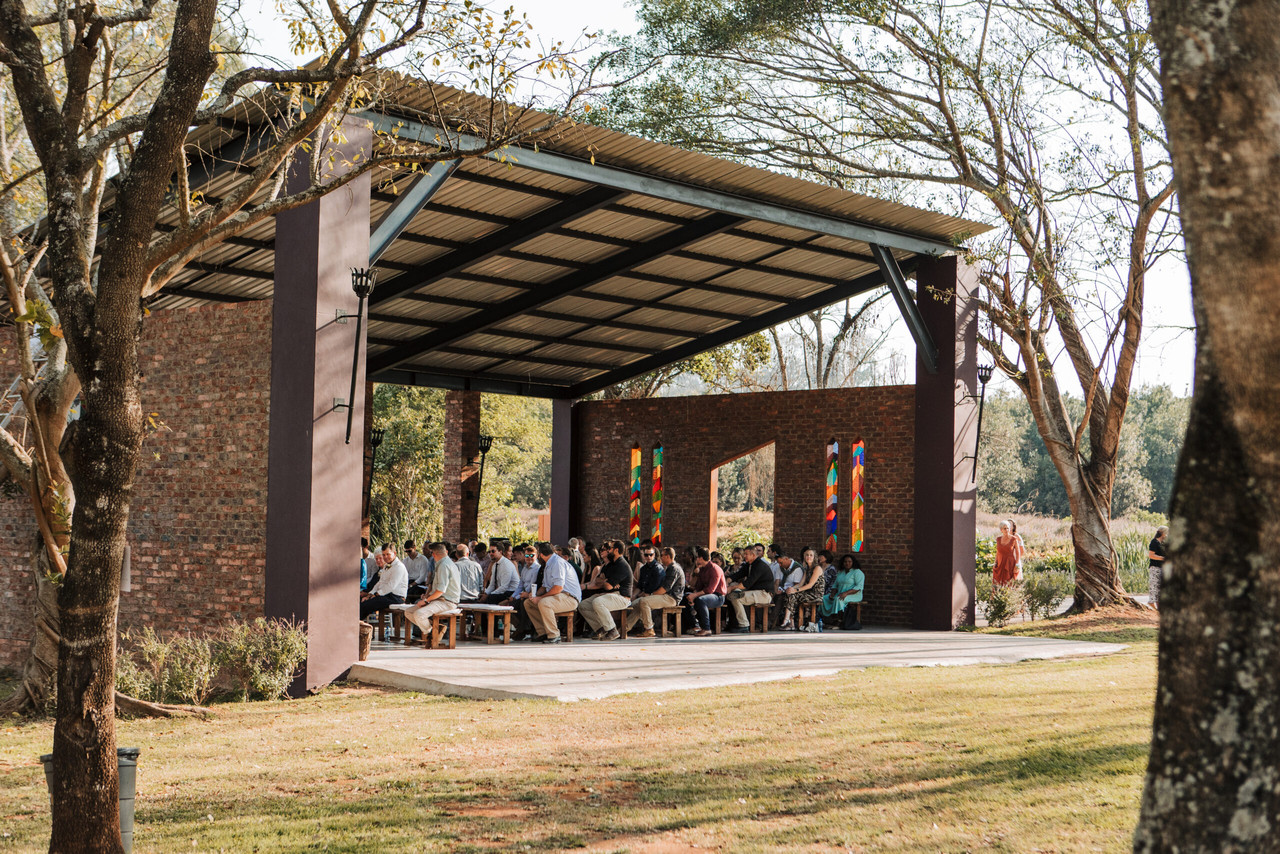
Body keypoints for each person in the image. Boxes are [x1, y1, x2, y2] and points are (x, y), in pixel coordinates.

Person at [525, 542, 581, 643]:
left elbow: (558, 588)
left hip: (570, 598)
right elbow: (545, 586)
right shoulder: (549, 563)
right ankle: (543, 632)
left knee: (544, 603)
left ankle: (554, 635)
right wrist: (535, 595)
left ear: (541, 554)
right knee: (528, 603)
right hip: (559, 596)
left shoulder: (557, 563)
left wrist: (541, 598)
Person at [579, 540, 633, 641]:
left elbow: (607, 586)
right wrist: (605, 581)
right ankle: (601, 629)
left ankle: (612, 630)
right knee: (583, 605)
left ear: (616, 550)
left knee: (598, 602)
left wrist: (605, 582)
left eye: (610, 548)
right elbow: (598, 582)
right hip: (608, 594)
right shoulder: (609, 564)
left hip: (622, 597)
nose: (608, 550)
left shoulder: (622, 565)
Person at [627, 546, 686, 637]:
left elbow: (664, 589)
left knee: (644, 601)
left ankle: (649, 629)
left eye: (662, 555)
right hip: (666, 596)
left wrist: (650, 595)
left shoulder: (674, 568)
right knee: (636, 604)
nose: (660, 557)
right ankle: (625, 628)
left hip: (671, 598)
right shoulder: (669, 567)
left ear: (667, 556)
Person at [403, 543, 460, 636]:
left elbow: (441, 590)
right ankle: (435, 630)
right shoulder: (442, 563)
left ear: (433, 554)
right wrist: (427, 596)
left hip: (447, 602)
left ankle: (432, 634)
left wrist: (426, 600)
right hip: (438, 600)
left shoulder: (444, 565)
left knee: (419, 614)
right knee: (408, 612)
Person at [726, 543, 775, 632]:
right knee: (732, 593)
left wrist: (730, 588)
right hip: (755, 592)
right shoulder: (748, 565)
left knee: (736, 597)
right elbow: (737, 575)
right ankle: (733, 623)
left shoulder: (760, 565)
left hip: (764, 594)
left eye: (746, 554)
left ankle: (743, 625)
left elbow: (746, 584)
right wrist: (728, 580)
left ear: (753, 555)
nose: (744, 556)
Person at [683, 547, 727, 636]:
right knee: (685, 597)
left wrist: (695, 595)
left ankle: (706, 628)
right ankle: (693, 625)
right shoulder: (702, 569)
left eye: (697, 558)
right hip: (705, 594)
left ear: (701, 558)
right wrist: (692, 595)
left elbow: (710, 590)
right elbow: (698, 586)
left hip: (718, 596)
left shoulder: (715, 569)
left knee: (701, 600)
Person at [781, 550, 826, 630]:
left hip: (815, 594)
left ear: (814, 557)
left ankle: (788, 620)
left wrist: (796, 590)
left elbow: (810, 585)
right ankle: (790, 622)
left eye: (811, 555)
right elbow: (801, 584)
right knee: (789, 593)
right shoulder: (807, 569)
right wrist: (792, 588)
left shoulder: (817, 568)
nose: (809, 557)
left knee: (793, 594)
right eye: (807, 555)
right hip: (807, 593)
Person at [360, 544, 407, 618]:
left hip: (396, 597)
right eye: (384, 555)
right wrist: (370, 594)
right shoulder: (386, 566)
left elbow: (391, 586)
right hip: (386, 595)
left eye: (388, 554)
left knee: (368, 604)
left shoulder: (399, 567)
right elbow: (380, 583)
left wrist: (376, 594)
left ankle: (356, 624)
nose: (385, 557)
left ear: (394, 553)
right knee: (363, 602)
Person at [823, 554, 865, 630]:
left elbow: (858, 587)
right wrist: (832, 594)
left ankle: (839, 622)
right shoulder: (840, 572)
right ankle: (827, 620)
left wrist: (846, 593)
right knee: (824, 598)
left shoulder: (858, 572)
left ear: (853, 562)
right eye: (845, 562)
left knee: (838, 599)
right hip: (840, 593)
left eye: (849, 561)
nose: (847, 563)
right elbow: (835, 585)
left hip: (854, 595)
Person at [993, 520, 1024, 586]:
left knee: (1008, 583)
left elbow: (1018, 553)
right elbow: (998, 552)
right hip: (1000, 562)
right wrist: (995, 562)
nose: (1007, 530)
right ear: (1001, 530)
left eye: (1008, 528)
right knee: (998, 582)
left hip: (1009, 563)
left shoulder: (1014, 539)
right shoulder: (998, 539)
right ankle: (998, 596)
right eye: (1005, 528)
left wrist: (1017, 565)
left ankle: (1008, 596)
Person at [1148, 525, 1169, 607]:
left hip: (1161, 568)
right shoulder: (1154, 542)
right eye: (1166, 533)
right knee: (1154, 585)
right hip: (1155, 567)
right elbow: (1151, 555)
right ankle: (1151, 602)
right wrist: (1163, 558)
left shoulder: (1162, 543)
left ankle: (1158, 603)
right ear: (1162, 533)